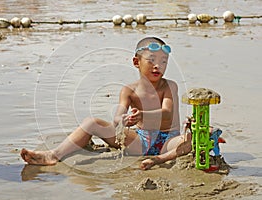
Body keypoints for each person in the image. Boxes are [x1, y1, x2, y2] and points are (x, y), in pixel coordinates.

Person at [21, 36, 192, 170]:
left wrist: (142, 114)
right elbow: (117, 117)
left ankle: (161, 158)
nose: (158, 66)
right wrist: (123, 120)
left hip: (168, 140)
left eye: (163, 61)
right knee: (92, 123)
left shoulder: (169, 86)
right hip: (140, 140)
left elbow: (167, 112)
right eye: (151, 60)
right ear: (136, 62)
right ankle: (54, 155)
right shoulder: (129, 90)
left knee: (193, 139)